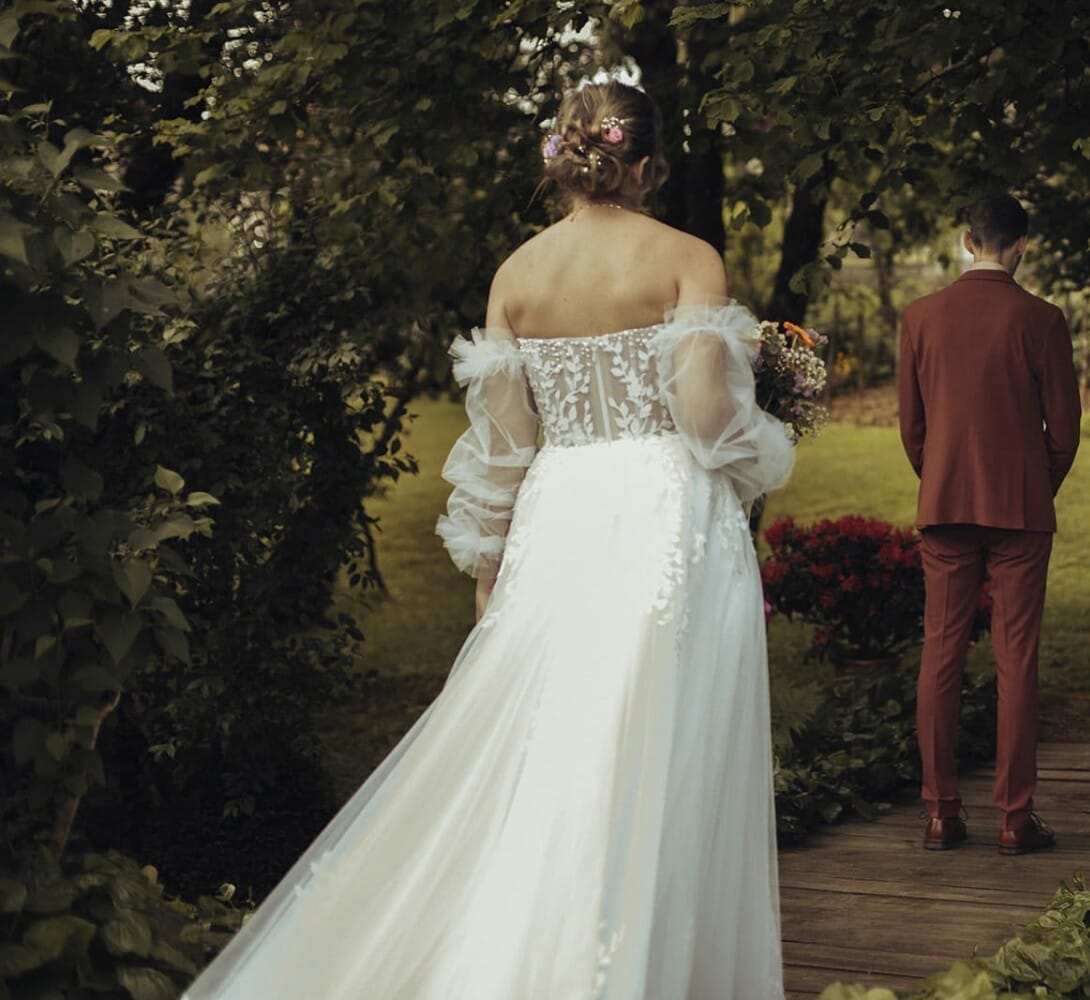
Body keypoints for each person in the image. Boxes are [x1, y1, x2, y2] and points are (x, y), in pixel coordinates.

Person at [184, 81, 793, 1000]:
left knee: (551, 737)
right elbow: (706, 415)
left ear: (563, 162)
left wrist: (489, 561)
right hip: (665, 509)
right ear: (648, 164)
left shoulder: (516, 275)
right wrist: (764, 442)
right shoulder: (687, 257)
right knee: (659, 740)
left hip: (561, 514)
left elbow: (503, 445)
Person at [897, 194, 1081, 855]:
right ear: (1022, 245)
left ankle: (941, 814)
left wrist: (940, 477)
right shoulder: (1042, 319)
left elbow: (912, 428)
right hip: (1021, 510)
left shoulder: (920, 317)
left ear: (966, 240)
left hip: (944, 506)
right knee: (1017, 660)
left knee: (940, 654)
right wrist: (1034, 483)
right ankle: (1014, 818)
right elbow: (1064, 431)